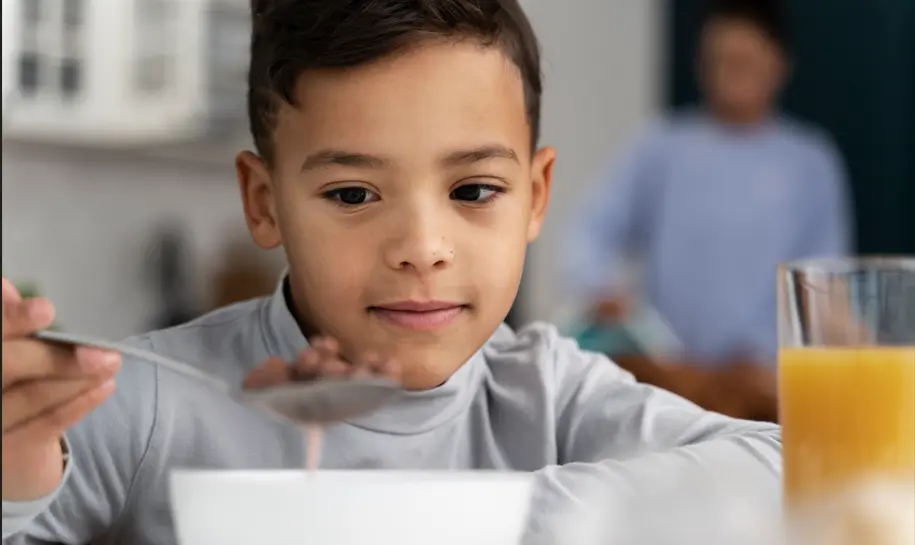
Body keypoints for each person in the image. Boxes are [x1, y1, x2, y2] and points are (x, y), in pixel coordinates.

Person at [1, 1, 781, 543]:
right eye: (351, 193)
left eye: (473, 190)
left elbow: (787, 469)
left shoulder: (550, 394)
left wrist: (447, 521)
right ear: (264, 201)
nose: (421, 246)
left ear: (535, 196)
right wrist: (14, 483)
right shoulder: (150, 401)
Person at [564, 0, 852, 422]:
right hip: (674, 376)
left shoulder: (810, 162)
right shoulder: (661, 145)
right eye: (720, 61)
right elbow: (592, 227)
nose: (731, 75)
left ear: (778, 63)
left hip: (764, 384)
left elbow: (824, 281)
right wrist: (599, 285)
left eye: (745, 62)